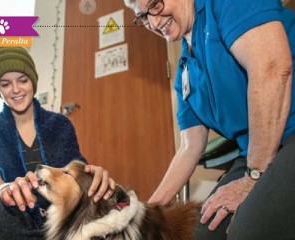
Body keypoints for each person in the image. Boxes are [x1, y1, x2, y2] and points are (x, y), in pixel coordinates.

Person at [124, 0, 295, 239]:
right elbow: (189, 146)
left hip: (289, 133)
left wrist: (251, 178)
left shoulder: (224, 4)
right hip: (258, 153)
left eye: (155, 4)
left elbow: (273, 68)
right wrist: (142, 217)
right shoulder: (184, 70)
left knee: (249, 231)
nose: (153, 22)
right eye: (142, 17)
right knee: (203, 233)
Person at [0, 47, 116, 240]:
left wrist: (93, 176)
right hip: (16, 220)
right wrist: (2, 189)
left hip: (62, 218)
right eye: (6, 84)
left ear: (33, 81)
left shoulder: (60, 125)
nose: (16, 89)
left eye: (23, 80)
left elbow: (76, 168)